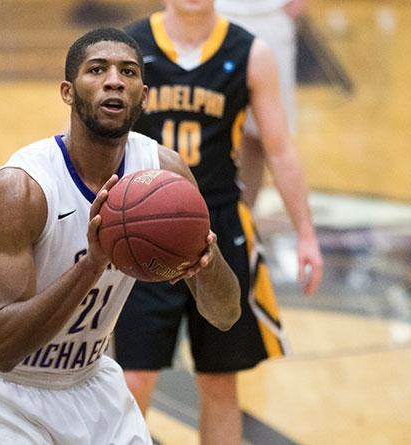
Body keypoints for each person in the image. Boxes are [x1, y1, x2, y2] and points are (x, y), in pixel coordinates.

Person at [0, 27, 241, 445]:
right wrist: (93, 263)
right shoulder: (22, 189)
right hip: (3, 393)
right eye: (97, 70)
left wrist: (206, 257)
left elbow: (225, 315)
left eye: (128, 72)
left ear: (143, 96)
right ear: (67, 92)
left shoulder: (165, 176)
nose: (114, 80)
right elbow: (2, 348)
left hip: (89, 379)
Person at [113, 1, 324, 444]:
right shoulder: (130, 47)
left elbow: (280, 148)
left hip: (220, 229)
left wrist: (305, 234)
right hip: (142, 230)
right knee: (134, 378)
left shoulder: (251, 52)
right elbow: (98, 139)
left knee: (220, 381)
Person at [215, 0, 309, 207]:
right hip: (215, 14)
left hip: (271, 16)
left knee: (264, 135)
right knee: (211, 123)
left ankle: (245, 216)